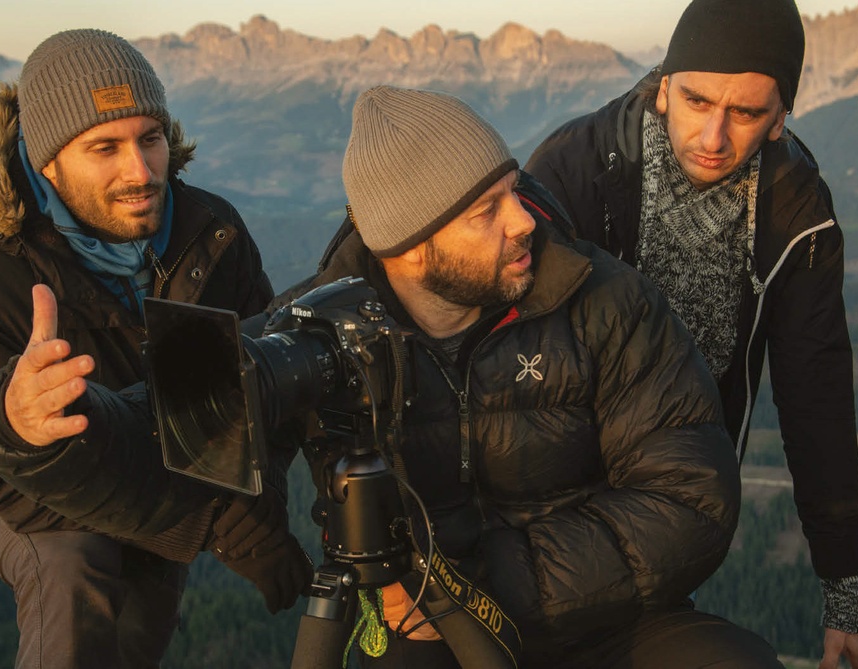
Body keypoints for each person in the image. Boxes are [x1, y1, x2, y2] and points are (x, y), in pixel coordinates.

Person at [285, 84, 783, 668]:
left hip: (607, 620)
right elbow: (205, 414)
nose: (523, 221)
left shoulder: (607, 302)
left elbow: (689, 501)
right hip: (425, 635)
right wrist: (257, 541)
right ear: (411, 247)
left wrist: (473, 586)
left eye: (513, 191)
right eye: (486, 211)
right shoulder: (321, 334)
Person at [0, 28, 311, 668]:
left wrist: (253, 511)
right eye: (105, 148)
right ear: (47, 160)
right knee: (76, 564)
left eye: (151, 138)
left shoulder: (209, 235)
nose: (141, 171)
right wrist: (18, 427)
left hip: (175, 457)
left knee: (139, 625)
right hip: (24, 487)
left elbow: (266, 386)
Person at [524, 0, 858, 666]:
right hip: (534, 521)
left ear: (779, 120)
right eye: (696, 99)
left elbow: (817, 398)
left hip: (668, 532)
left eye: (745, 113)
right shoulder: (576, 170)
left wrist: (845, 597)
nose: (712, 136)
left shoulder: (795, 208)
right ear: (664, 85)